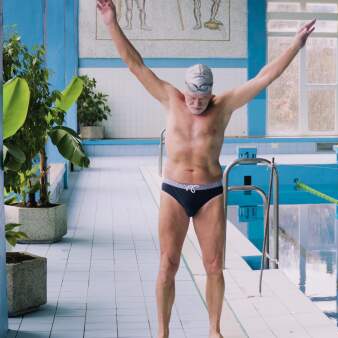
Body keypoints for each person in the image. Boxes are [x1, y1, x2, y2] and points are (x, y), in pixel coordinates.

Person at [96, 1, 316, 337]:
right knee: (167, 265)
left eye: (202, 98)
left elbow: (264, 77)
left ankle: (214, 330)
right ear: (184, 91)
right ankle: (163, 332)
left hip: (211, 193)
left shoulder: (223, 105)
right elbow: (134, 64)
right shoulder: (171, 98)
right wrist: (112, 23)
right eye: (192, 97)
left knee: (214, 266)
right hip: (174, 190)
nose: (196, 104)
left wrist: (295, 45)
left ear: (211, 93)